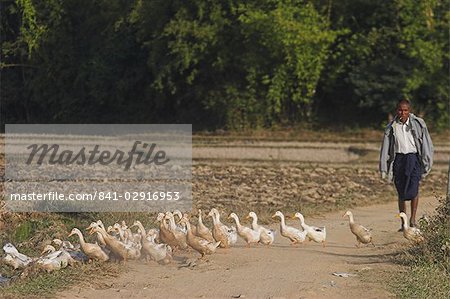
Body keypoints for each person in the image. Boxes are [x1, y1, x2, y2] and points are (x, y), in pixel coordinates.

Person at [379, 99, 433, 230]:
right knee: (401, 192)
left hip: (413, 159)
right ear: (396, 111)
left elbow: (426, 144)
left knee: (414, 188)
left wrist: (427, 162)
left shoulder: (418, 124)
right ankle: (403, 223)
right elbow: (385, 148)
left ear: (409, 111)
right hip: (399, 160)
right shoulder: (391, 127)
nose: (402, 113)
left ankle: (413, 220)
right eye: (400, 110)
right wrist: (383, 168)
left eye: (405, 110)